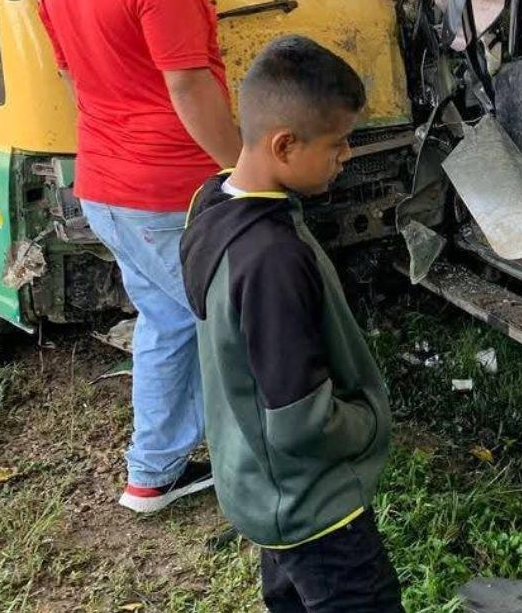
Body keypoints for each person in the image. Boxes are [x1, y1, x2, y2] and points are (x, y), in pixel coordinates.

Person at [37, 0, 242, 513]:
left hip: (106, 183)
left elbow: (75, 82)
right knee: (216, 319)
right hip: (168, 191)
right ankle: (205, 467)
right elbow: (188, 85)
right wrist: (244, 171)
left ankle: (158, 467)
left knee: (167, 318)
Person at [181, 36, 401, 612]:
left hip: (260, 486)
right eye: (338, 143)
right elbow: (301, 424)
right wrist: (370, 419)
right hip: (314, 506)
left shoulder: (211, 205)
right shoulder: (273, 259)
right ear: (284, 144)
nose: (346, 155)